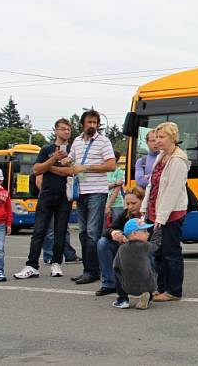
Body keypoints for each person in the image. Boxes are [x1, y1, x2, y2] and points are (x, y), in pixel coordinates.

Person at [14, 119, 76, 280]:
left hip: (65, 196)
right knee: (39, 231)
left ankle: (56, 263)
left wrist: (51, 168)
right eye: (63, 129)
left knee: (60, 231)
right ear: (55, 131)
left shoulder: (73, 150)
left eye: (68, 129)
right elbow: (36, 169)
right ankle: (31, 265)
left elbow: (72, 171)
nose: (66, 132)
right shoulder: (46, 149)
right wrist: (53, 159)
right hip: (46, 195)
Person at [142, 121, 190, 302]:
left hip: (171, 214)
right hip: (156, 212)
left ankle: (174, 290)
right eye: (156, 138)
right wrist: (144, 207)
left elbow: (172, 191)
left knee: (171, 252)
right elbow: (152, 184)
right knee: (158, 252)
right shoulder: (162, 156)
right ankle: (161, 287)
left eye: (162, 137)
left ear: (173, 138)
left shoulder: (178, 159)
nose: (157, 141)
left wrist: (161, 217)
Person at [68, 109, 116, 285]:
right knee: (82, 233)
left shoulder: (104, 141)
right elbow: (71, 159)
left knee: (92, 233)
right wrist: (64, 160)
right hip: (81, 191)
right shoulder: (77, 141)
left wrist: (86, 167)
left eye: (95, 123)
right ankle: (89, 270)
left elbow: (111, 165)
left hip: (97, 191)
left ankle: (93, 271)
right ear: (82, 124)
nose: (92, 126)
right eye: (89, 122)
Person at [96, 187, 145, 297]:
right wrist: (114, 233)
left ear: (143, 201)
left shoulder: (149, 215)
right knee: (103, 242)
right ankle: (109, 284)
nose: (130, 207)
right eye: (127, 204)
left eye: (134, 203)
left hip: (145, 250)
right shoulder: (126, 213)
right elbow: (107, 230)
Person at [112, 218, 162, 310]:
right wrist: (158, 231)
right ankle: (148, 295)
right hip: (146, 285)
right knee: (151, 265)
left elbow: (115, 266)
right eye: (144, 231)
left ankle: (123, 300)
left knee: (118, 275)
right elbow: (156, 244)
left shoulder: (122, 249)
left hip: (128, 286)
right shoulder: (145, 246)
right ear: (134, 234)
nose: (148, 233)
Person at [105, 151, 125, 224]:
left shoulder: (119, 172)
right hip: (103, 202)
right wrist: (115, 183)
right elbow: (102, 186)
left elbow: (116, 192)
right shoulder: (104, 171)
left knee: (117, 227)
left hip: (117, 204)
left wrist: (108, 206)